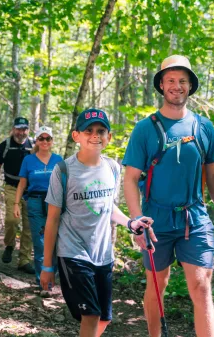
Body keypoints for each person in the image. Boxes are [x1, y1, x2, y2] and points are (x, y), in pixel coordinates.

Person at [122, 55, 214, 337]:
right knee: (157, 285)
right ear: (161, 85)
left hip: (194, 218)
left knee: (201, 285)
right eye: (170, 80)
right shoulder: (145, 128)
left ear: (190, 86)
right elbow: (131, 178)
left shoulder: (204, 127)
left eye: (182, 80)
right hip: (155, 219)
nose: (177, 86)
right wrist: (137, 221)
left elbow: (213, 174)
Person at [40, 108, 155, 337]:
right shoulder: (63, 170)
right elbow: (52, 219)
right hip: (73, 252)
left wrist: (131, 223)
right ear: (77, 136)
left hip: (103, 254)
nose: (95, 135)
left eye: (101, 131)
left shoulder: (112, 168)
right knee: (91, 315)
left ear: (109, 137)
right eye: (88, 130)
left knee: (104, 318)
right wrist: (47, 265)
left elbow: (108, 207)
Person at [13, 126, 63, 286]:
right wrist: (16, 203)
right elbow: (22, 184)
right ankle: (42, 282)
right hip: (34, 203)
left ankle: (51, 277)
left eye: (48, 138)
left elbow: (65, 184)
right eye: (41, 138)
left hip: (54, 203)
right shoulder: (29, 160)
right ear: (36, 141)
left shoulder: (58, 160)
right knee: (40, 242)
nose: (45, 141)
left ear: (52, 141)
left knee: (54, 242)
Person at [0, 117, 35, 274]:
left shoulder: (35, 145)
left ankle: (25, 260)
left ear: (28, 129)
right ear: (13, 129)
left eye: (24, 129)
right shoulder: (5, 145)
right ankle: (9, 244)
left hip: (30, 190)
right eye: (18, 129)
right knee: (11, 219)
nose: (21, 132)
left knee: (29, 226)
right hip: (12, 187)